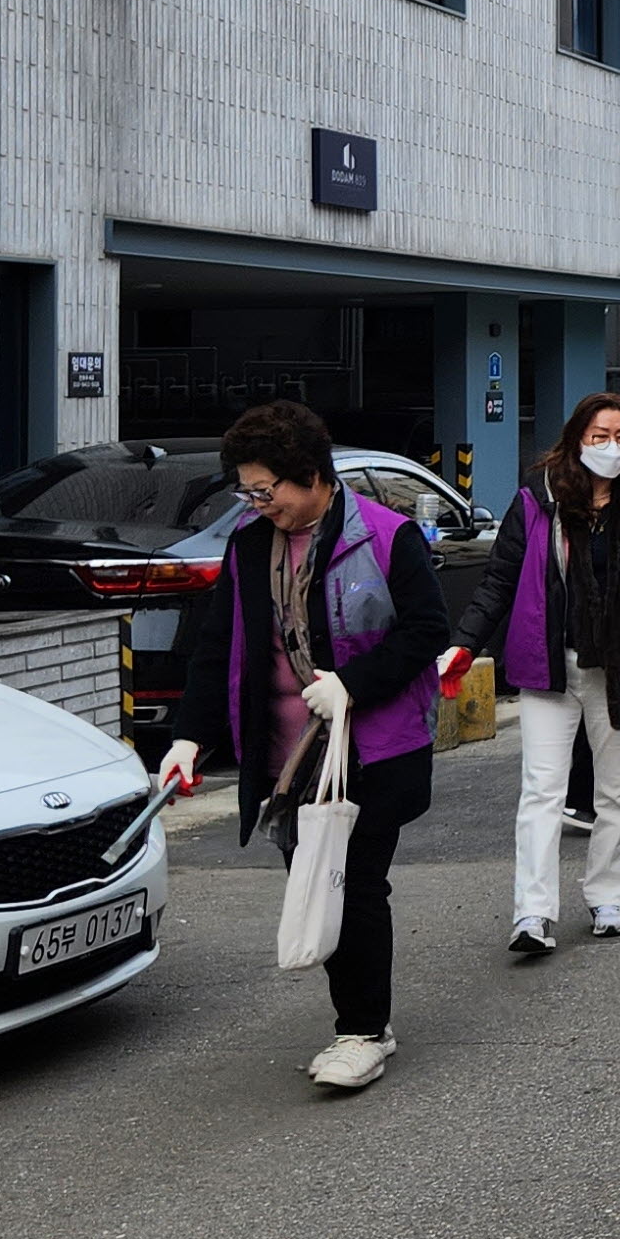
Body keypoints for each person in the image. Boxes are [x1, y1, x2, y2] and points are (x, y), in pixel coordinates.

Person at [166, 399, 449, 1092]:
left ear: (315, 477)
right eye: (248, 492)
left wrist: (352, 684)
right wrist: (188, 737)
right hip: (288, 757)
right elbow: (220, 647)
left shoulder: (386, 536)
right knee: (317, 880)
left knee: (354, 884)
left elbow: (426, 631)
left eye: (268, 491)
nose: (259, 505)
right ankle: (362, 1022)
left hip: (371, 748)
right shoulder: (248, 542)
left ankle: (363, 1031)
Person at [438, 393, 620, 956]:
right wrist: (464, 644)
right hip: (549, 663)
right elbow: (499, 579)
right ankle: (532, 913)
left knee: (618, 790)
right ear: (577, 438)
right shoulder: (538, 499)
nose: (611, 447)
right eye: (600, 436)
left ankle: (608, 898)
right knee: (542, 790)